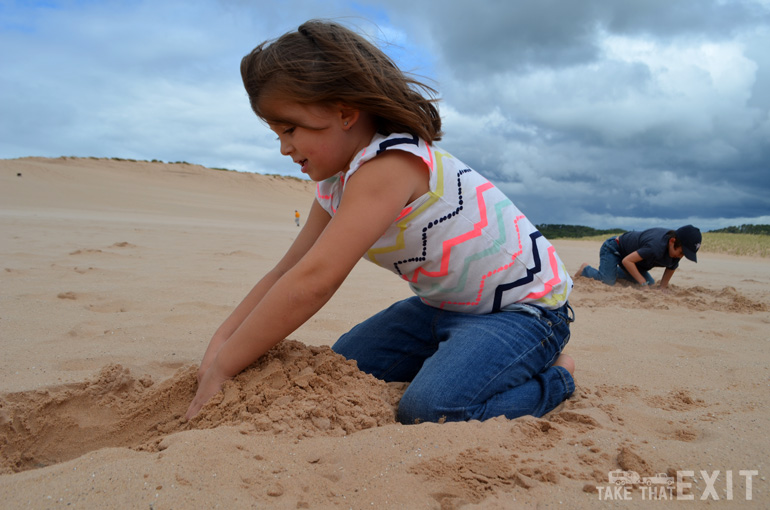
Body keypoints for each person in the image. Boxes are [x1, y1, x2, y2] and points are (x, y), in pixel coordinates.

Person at [185, 20, 575, 423]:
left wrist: (225, 367)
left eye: (290, 128)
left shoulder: (390, 164)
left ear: (345, 113)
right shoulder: (336, 183)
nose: (285, 147)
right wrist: (221, 342)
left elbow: (316, 279)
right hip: (442, 307)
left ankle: (558, 377)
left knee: (430, 409)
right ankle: (458, 356)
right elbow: (289, 269)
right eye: (275, 134)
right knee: (342, 365)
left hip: (525, 311)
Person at [575, 225, 701, 290]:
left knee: (650, 284)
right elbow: (627, 260)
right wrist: (642, 283)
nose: (680, 256)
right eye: (680, 253)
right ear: (672, 241)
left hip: (633, 260)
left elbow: (671, 267)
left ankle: (612, 271)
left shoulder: (676, 250)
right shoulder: (655, 246)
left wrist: (662, 287)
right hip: (615, 248)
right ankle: (586, 269)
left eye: (684, 255)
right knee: (608, 281)